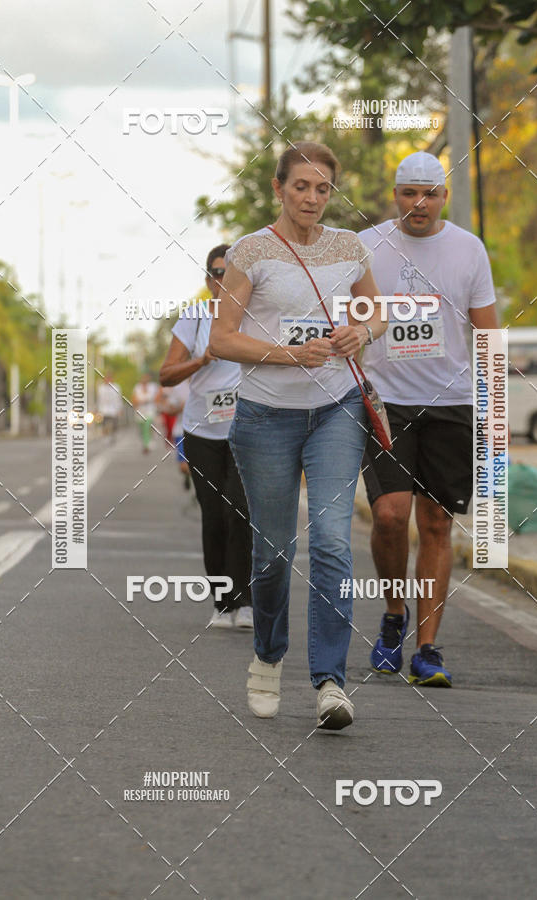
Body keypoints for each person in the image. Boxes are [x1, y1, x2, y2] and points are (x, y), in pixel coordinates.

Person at [209, 141, 387, 730]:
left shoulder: (350, 247)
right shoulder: (251, 251)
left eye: (322, 188)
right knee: (275, 550)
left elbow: (375, 312)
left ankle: (331, 681)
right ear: (279, 188)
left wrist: (360, 335)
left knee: (334, 540)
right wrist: (290, 355)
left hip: (337, 409)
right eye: (301, 187)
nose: (312, 198)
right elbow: (223, 340)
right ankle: (266, 655)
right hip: (265, 417)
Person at [359, 150, 499, 687]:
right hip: (386, 401)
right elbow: (348, 317)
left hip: (452, 402)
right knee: (391, 515)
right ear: (395, 195)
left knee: (437, 523)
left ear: (445, 196)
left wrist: (492, 412)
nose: (419, 203)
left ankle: (428, 648)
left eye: (430, 193)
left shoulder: (468, 249)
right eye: (409, 193)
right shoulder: (368, 246)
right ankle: (394, 614)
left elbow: (486, 334)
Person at [159, 246, 253, 630]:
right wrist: (200, 361)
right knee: (213, 517)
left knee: (241, 512)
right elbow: (166, 375)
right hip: (202, 432)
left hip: (247, 432)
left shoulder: (258, 317)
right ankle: (222, 602)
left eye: (230, 272)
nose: (223, 280)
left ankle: (244, 601)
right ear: (208, 280)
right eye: (216, 273)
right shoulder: (194, 319)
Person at [131, 373, 158, 454]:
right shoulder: (137, 387)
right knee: (142, 430)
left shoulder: (153, 386)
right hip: (140, 412)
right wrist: (137, 403)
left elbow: (158, 395)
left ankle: (147, 445)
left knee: (147, 426)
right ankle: (145, 443)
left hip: (150, 411)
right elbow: (134, 398)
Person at [97, 372, 123, 442]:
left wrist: (120, 409)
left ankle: (113, 435)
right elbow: (99, 399)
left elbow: (119, 399)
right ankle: (105, 435)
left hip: (114, 410)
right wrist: (98, 410)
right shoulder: (101, 388)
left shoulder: (116, 387)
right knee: (104, 424)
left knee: (114, 424)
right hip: (104, 409)